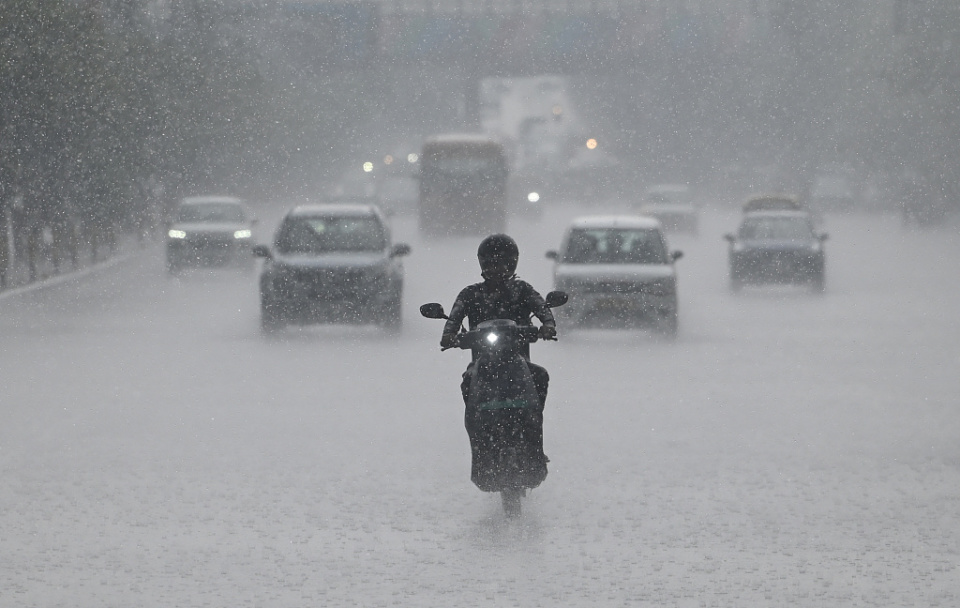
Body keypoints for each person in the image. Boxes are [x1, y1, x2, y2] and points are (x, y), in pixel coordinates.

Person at [440, 234, 557, 468]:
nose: (496, 269)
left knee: (540, 376)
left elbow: (543, 310)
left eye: (502, 263)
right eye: (491, 263)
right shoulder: (469, 294)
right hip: (481, 364)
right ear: (482, 264)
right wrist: (450, 336)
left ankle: (535, 441)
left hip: (520, 362)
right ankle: (477, 439)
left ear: (512, 263)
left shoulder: (523, 290)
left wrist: (548, 326)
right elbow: (452, 322)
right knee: (467, 382)